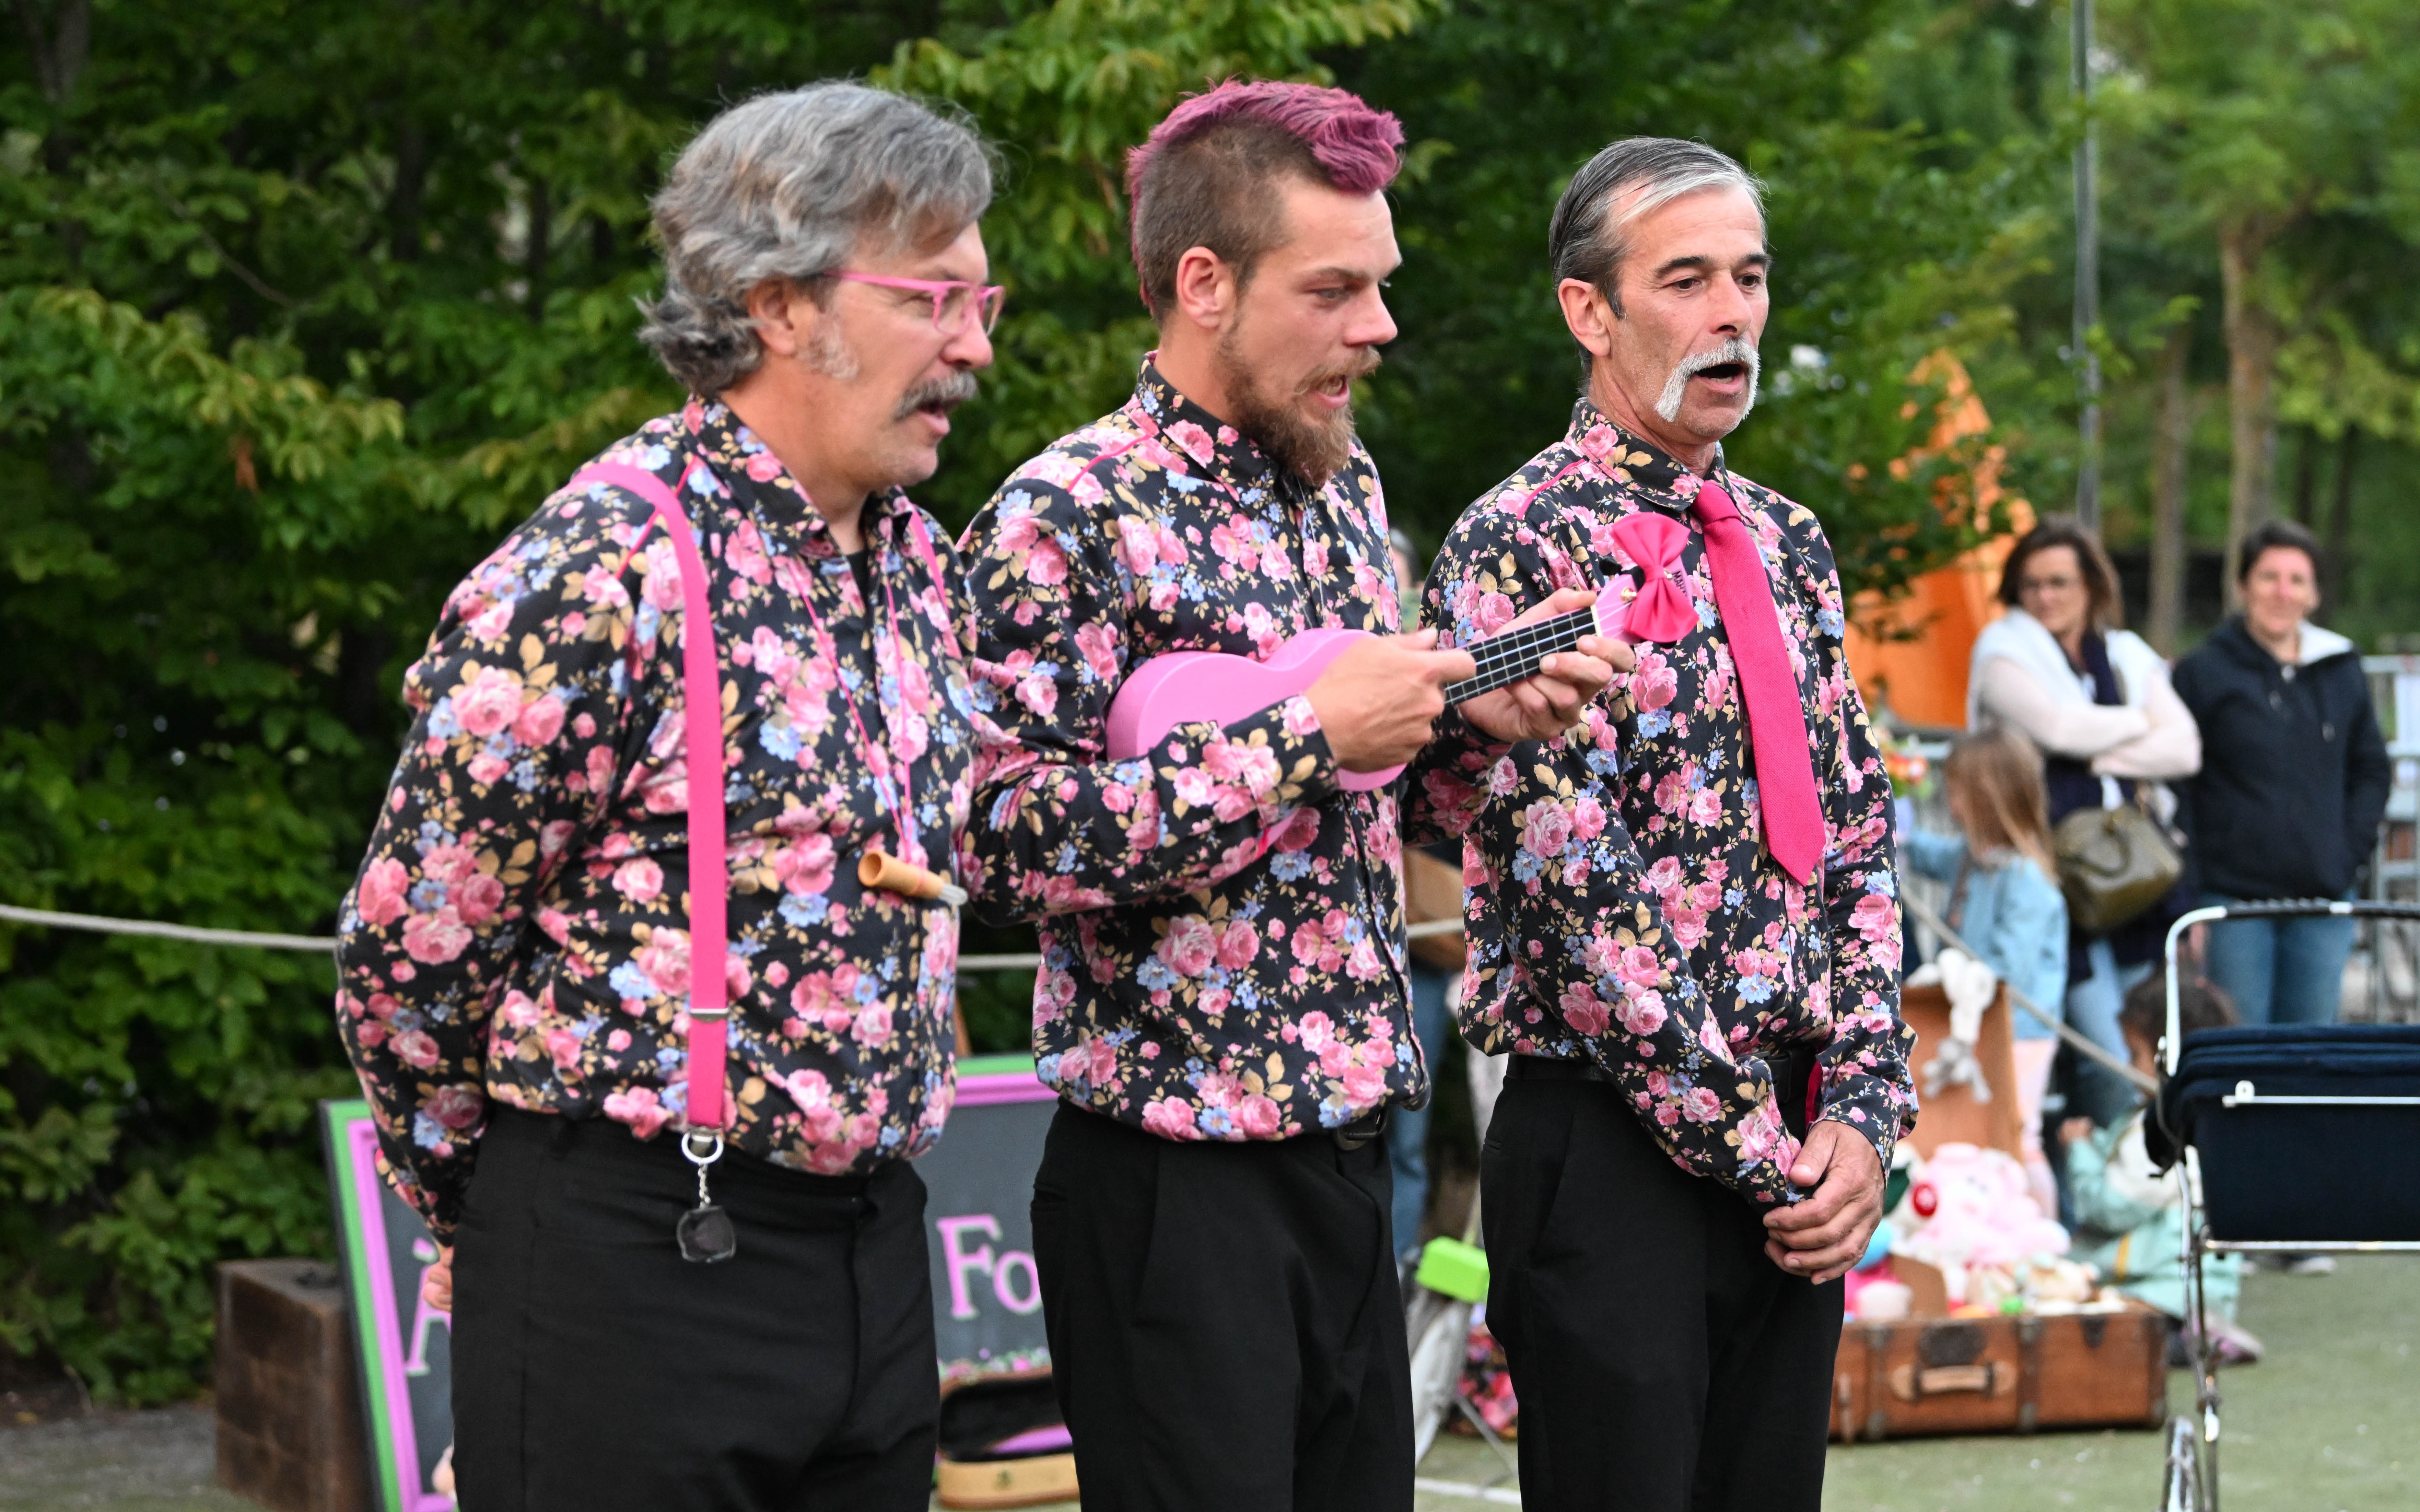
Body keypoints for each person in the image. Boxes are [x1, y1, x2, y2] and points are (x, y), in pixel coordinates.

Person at [334, 84, 1008, 1511]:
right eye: (934, 299)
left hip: (873, 1254)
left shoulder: (918, 567)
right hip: (632, 1262)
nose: (974, 346)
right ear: (779, 305)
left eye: (982, 300)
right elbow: (409, 957)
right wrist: (494, 1220)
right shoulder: (601, 567)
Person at [958, 81, 1622, 1511]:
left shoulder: (1341, 487)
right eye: (1333, 290)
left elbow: (1381, 807)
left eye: (1378, 284)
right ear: (1203, 283)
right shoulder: (1061, 514)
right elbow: (997, 842)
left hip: (1348, 1159)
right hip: (1167, 1184)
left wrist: (1473, 730)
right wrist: (1303, 735)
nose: (1377, 326)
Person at [1424, 137, 1915, 1512]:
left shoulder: (1789, 540)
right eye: (1686, 280)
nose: (1731, 315)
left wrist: (1861, 1114)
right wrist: (1758, 1151)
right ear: (1589, 310)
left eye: (1748, 278)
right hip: (1614, 1146)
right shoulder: (1514, 539)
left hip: (1795, 1147)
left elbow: (1856, 834)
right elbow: (1574, 890)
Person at [1968, 517, 2201, 1127]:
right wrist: (2141, 723)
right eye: (2031, 584)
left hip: (2133, 877)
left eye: (2059, 582)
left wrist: (2095, 751)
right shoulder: (2002, 651)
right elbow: (2056, 728)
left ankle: (2137, 1167)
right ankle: (2102, 1162)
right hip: (2054, 881)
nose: (2045, 596)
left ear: (2091, 586)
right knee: (2104, 1056)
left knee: (2149, 1039)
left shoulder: (2122, 653)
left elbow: (2185, 748)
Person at [2172, 518, 2390, 1026]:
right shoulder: (2203, 671)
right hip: (2232, 902)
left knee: (2311, 1047)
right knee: (2238, 1043)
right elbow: (2179, 788)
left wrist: (2345, 856)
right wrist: (2189, 891)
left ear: (2314, 594)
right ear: (2242, 586)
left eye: (2297, 580)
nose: (2282, 592)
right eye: (2269, 577)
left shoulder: (2340, 667)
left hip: (2322, 898)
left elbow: (2371, 770)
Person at [1901, 728, 2068, 1215]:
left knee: (2019, 1131)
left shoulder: (2025, 879)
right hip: (1979, 1021)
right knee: (1981, 1131)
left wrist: (1945, 976)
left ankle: (2043, 1232)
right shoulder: (1972, 858)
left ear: (1985, 799)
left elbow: (2008, 968)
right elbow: (1922, 853)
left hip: (2021, 1030)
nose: (1950, 803)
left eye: (1956, 792)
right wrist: (1891, 828)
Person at [2060, 975, 2259, 1364]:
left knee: (2100, 1340)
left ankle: (2191, 1336)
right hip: (2202, 1284)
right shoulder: (2209, 1116)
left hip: (2163, 1287)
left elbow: (2110, 1208)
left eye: (2135, 1053)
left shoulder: (2164, 1127)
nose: (2128, 1065)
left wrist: (2079, 1151)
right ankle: (2198, 1330)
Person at [1387, 528, 1466, 1275]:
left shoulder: (1437, 686)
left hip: (1426, 948)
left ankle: (1398, 1276)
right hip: (1347, 940)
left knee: (1408, 1130)